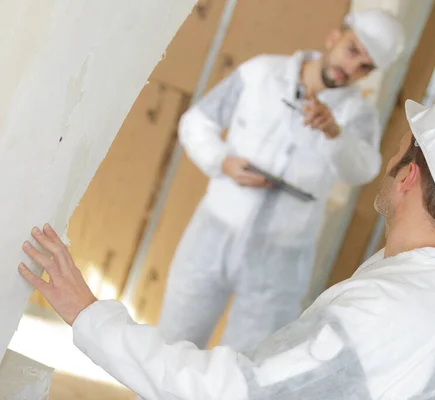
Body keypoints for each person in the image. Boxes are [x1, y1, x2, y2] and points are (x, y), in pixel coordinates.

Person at [19, 91, 435, 399]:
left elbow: (232, 392)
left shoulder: (393, 309)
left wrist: (88, 314)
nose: (389, 156)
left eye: (397, 150)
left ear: (407, 176)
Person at [157, 9, 405, 352]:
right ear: (334, 37)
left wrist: (335, 133)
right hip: (212, 236)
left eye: (365, 67)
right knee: (173, 346)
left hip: (280, 261)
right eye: (352, 51)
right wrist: (221, 162)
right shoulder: (261, 73)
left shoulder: (356, 115)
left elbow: (362, 169)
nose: (351, 69)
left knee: (249, 365)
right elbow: (196, 122)